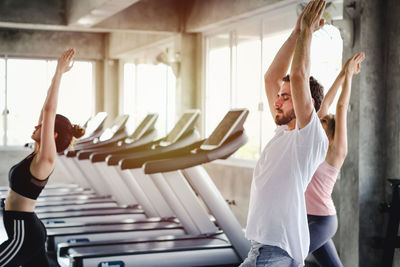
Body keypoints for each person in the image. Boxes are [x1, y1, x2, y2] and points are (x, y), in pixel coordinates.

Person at [241, 0, 328, 266]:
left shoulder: (308, 138)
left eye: (286, 97)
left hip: (274, 251)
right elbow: (271, 77)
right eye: (279, 96)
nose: (276, 101)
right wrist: (295, 32)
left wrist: (307, 32)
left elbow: (299, 75)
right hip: (262, 250)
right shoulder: (282, 131)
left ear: (307, 105)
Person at [0, 48, 85, 266]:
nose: (36, 125)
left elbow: (49, 111)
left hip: (24, 233)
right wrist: (56, 76)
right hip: (25, 230)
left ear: (52, 134)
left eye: (42, 127)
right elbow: (45, 110)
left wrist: (58, 73)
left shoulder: (46, 158)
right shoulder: (37, 153)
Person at [306, 52, 365, 267]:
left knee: (289, 258)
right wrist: (343, 71)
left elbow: (339, 107)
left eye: (322, 125)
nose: (316, 128)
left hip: (323, 220)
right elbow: (326, 105)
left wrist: (349, 77)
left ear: (331, 135)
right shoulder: (313, 150)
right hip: (304, 218)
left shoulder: (336, 152)